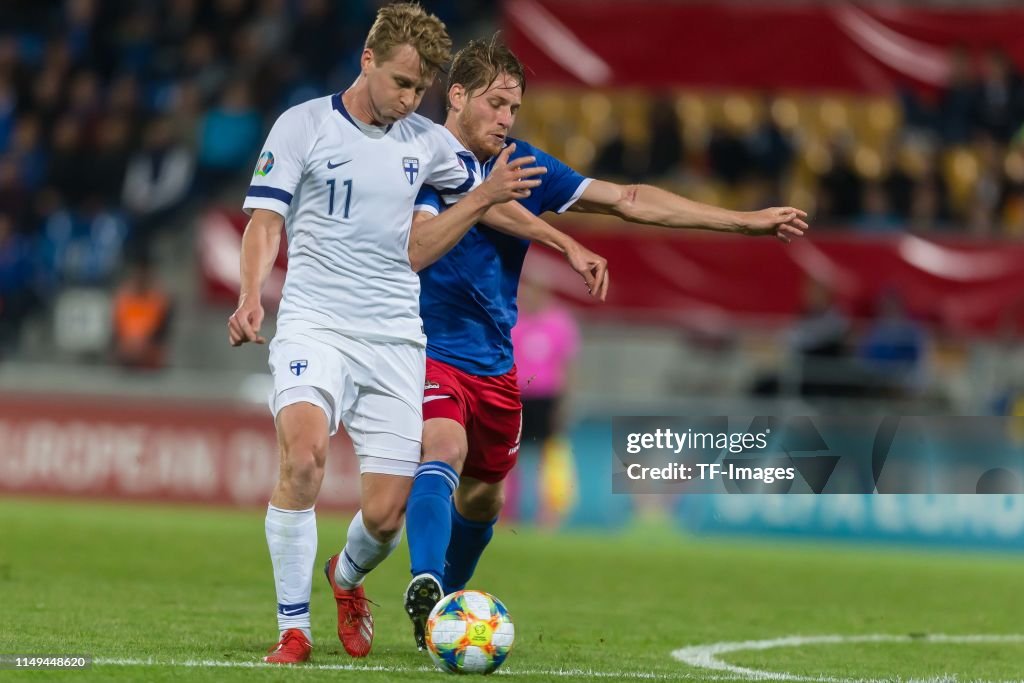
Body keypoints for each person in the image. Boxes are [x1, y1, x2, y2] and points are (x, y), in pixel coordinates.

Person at [402, 36, 809, 649]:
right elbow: (476, 206)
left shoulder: (523, 165)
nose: (507, 119)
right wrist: (564, 243)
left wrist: (744, 221)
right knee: (443, 446)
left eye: (514, 108)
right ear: (456, 96)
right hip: (426, 345)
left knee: (484, 498)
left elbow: (629, 200)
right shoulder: (418, 155)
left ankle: (436, 612)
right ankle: (427, 585)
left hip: (494, 360)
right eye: (496, 104)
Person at [227, 4, 548, 665]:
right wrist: (250, 294)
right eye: (402, 82)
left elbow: (491, 201)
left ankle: (345, 579)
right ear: (367, 60)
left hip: (396, 340)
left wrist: (561, 241)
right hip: (315, 323)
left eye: (421, 87)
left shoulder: (427, 143)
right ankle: (294, 629)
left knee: (384, 516)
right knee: (305, 456)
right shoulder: (303, 125)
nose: (410, 98)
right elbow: (264, 220)